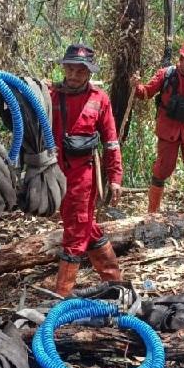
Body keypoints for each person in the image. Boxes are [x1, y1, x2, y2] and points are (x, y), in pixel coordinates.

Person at [50, 44, 123, 296]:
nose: (74, 74)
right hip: (55, 174)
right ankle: (115, 282)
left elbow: (111, 141)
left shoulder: (99, 99)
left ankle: (62, 295)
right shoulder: (49, 95)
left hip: (83, 176)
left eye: (80, 70)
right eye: (70, 68)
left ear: (89, 72)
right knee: (86, 227)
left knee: (76, 230)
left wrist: (115, 177)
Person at [130, 38, 184, 220]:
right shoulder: (166, 74)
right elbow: (146, 93)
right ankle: (153, 211)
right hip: (168, 130)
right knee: (163, 169)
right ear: (181, 58)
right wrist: (136, 86)